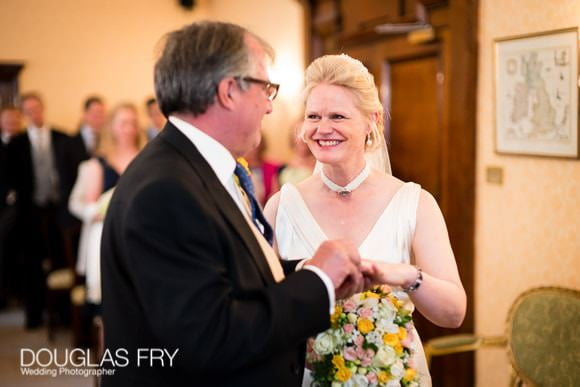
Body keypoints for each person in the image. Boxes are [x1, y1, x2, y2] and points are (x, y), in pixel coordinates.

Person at [101, 21, 370, 386]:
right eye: (266, 89)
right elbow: (211, 338)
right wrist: (317, 279)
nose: (270, 108)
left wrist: (307, 267)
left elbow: (229, 274)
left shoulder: (197, 169)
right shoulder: (166, 190)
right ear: (229, 91)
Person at [264, 54, 467, 386]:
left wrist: (406, 275)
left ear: (371, 120)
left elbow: (453, 313)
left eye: (338, 116)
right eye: (313, 116)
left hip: (394, 374)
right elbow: (261, 307)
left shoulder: (415, 204)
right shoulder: (281, 206)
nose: (322, 128)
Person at [6, 93, 82, 328]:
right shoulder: (16, 144)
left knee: (62, 258)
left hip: (58, 208)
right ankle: (34, 314)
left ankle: (64, 315)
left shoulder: (62, 137)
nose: (33, 113)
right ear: (24, 114)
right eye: (28, 110)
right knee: (32, 263)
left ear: (43, 108)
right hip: (31, 212)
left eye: (36, 108)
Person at [69, 103, 142, 310]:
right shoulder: (97, 163)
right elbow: (77, 204)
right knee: (110, 309)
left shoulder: (147, 159)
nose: (129, 128)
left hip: (139, 235)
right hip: (106, 235)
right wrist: (95, 212)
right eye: (124, 123)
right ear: (112, 127)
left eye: (134, 123)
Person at [244, 134, 281, 206]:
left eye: (254, 145)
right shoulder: (239, 168)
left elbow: (275, 194)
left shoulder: (271, 168)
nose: (252, 149)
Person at [278, 119, 316, 186]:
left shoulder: (321, 167)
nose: (301, 138)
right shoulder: (281, 168)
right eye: (297, 133)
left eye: (304, 134)